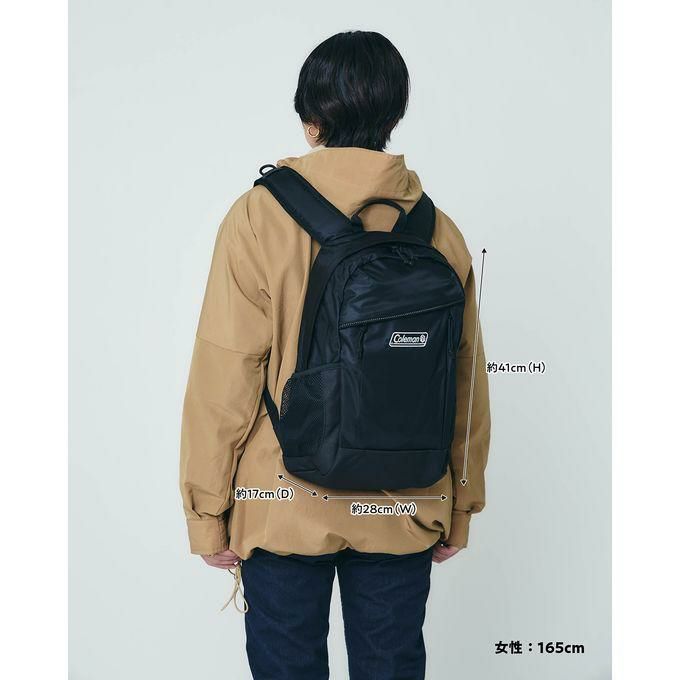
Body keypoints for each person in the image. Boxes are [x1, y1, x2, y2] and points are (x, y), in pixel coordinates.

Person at [180, 30, 491, 680]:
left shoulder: (258, 217)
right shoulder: (438, 230)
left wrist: (207, 513)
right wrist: (459, 506)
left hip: (282, 500)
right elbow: (465, 384)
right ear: (394, 114)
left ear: (311, 118)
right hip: (402, 502)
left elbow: (225, 374)